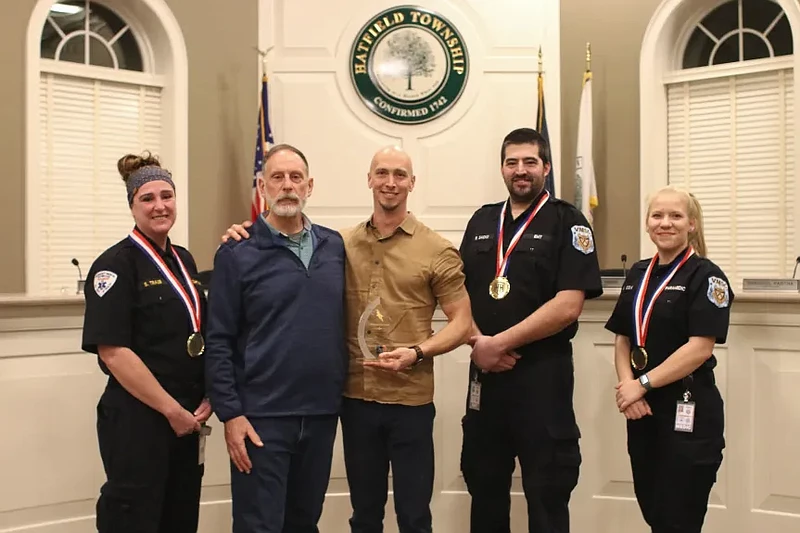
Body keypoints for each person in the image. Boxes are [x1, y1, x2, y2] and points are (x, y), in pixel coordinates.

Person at [222, 145, 474, 533]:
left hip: (400, 402)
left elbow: (463, 323)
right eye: (382, 173)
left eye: (400, 174)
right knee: (359, 516)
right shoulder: (337, 243)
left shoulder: (426, 248)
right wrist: (244, 231)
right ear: (369, 180)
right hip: (342, 403)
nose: (390, 182)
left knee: (411, 515)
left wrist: (419, 351)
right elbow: (223, 334)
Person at [459, 127, 602, 533]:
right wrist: (476, 342)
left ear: (546, 167)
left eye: (529, 162)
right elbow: (458, 294)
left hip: (542, 376)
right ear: (502, 169)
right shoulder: (483, 220)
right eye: (511, 162)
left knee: (547, 491)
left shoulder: (568, 222)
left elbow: (567, 306)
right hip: (485, 379)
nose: (520, 171)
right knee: (484, 485)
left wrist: (496, 344)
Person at [205, 143, 347, 533]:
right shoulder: (236, 253)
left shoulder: (334, 246)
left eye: (296, 178)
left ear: (310, 186)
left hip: (320, 413)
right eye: (277, 178)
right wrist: (230, 413)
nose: (287, 186)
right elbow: (218, 339)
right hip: (261, 418)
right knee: (259, 526)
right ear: (262, 186)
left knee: (304, 523)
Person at [81, 152, 212, 533]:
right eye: (148, 198)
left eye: (167, 196)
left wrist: (205, 398)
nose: (160, 206)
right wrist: (172, 410)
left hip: (187, 422)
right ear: (133, 206)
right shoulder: (115, 265)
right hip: (140, 421)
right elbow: (114, 352)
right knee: (135, 519)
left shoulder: (184, 260)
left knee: (179, 518)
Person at [604, 185, 731, 533]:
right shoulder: (638, 273)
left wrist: (641, 384)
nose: (665, 223)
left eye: (675, 216)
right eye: (657, 215)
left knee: (680, 519)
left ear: (691, 224)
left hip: (687, 412)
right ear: (647, 223)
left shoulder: (707, 276)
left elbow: (699, 348)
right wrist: (628, 386)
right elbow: (623, 338)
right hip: (642, 411)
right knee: (655, 513)